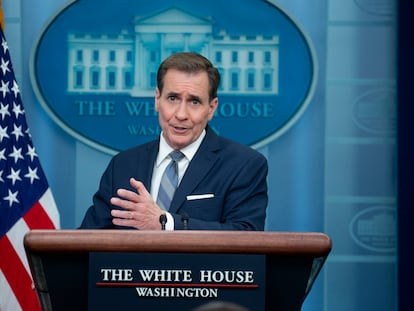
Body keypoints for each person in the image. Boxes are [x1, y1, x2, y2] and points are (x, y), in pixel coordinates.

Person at [79, 52, 268, 230]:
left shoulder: (244, 165)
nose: (181, 114)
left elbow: (245, 233)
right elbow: (88, 240)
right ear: (157, 99)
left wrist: (165, 223)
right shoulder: (123, 165)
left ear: (211, 108)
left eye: (194, 101)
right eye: (172, 98)